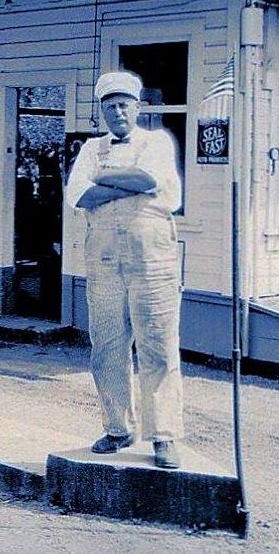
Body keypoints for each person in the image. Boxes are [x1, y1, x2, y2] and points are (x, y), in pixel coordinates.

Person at [63, 70, 185, 469]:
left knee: (158, 347)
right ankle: (118, 427)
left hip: (152, 260)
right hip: (103, 261)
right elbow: (78, 195)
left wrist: (104, 180)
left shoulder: (157, 142)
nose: (117, 111)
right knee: (108, 347)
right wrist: (124, 183)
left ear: (137, 107)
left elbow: (148, 177)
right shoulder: (90, 149)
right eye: (110, 106)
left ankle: (164, 435)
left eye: (124, 104)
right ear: (101, 111)